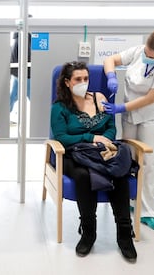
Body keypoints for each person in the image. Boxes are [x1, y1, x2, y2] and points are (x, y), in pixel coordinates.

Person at [51, 61, 137, 262]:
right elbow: (61, 137)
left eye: (86, 78)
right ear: (67, 82)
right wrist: (91, 138)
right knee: (83, 175)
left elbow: (111, 126)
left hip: (102, 151)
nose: (83, 82)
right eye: (78, 79)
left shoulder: (99, 99)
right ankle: (88, 232)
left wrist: (104, 140)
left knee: (120, 173)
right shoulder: (60, 107)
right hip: (74, 154)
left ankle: (124, 233)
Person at [103, 28, 154, 232]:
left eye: (152, 53)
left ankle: (148, 211)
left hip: (153, 118)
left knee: (149, 164)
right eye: (147, 48)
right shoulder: (138, 51)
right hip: (131, 116)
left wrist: (120, 107)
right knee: (128, 159)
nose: (146, 54)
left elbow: (149, 99)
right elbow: (110, 60)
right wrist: (111, 76)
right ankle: (129, 200)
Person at [9, 32, 31, 115]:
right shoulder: (25, 37)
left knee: (13, 95)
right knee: (32, 96)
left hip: (16, 72)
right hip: (26, 74)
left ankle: (6, 114)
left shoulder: (16, 38)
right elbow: (28, 56)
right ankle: (39, 118)